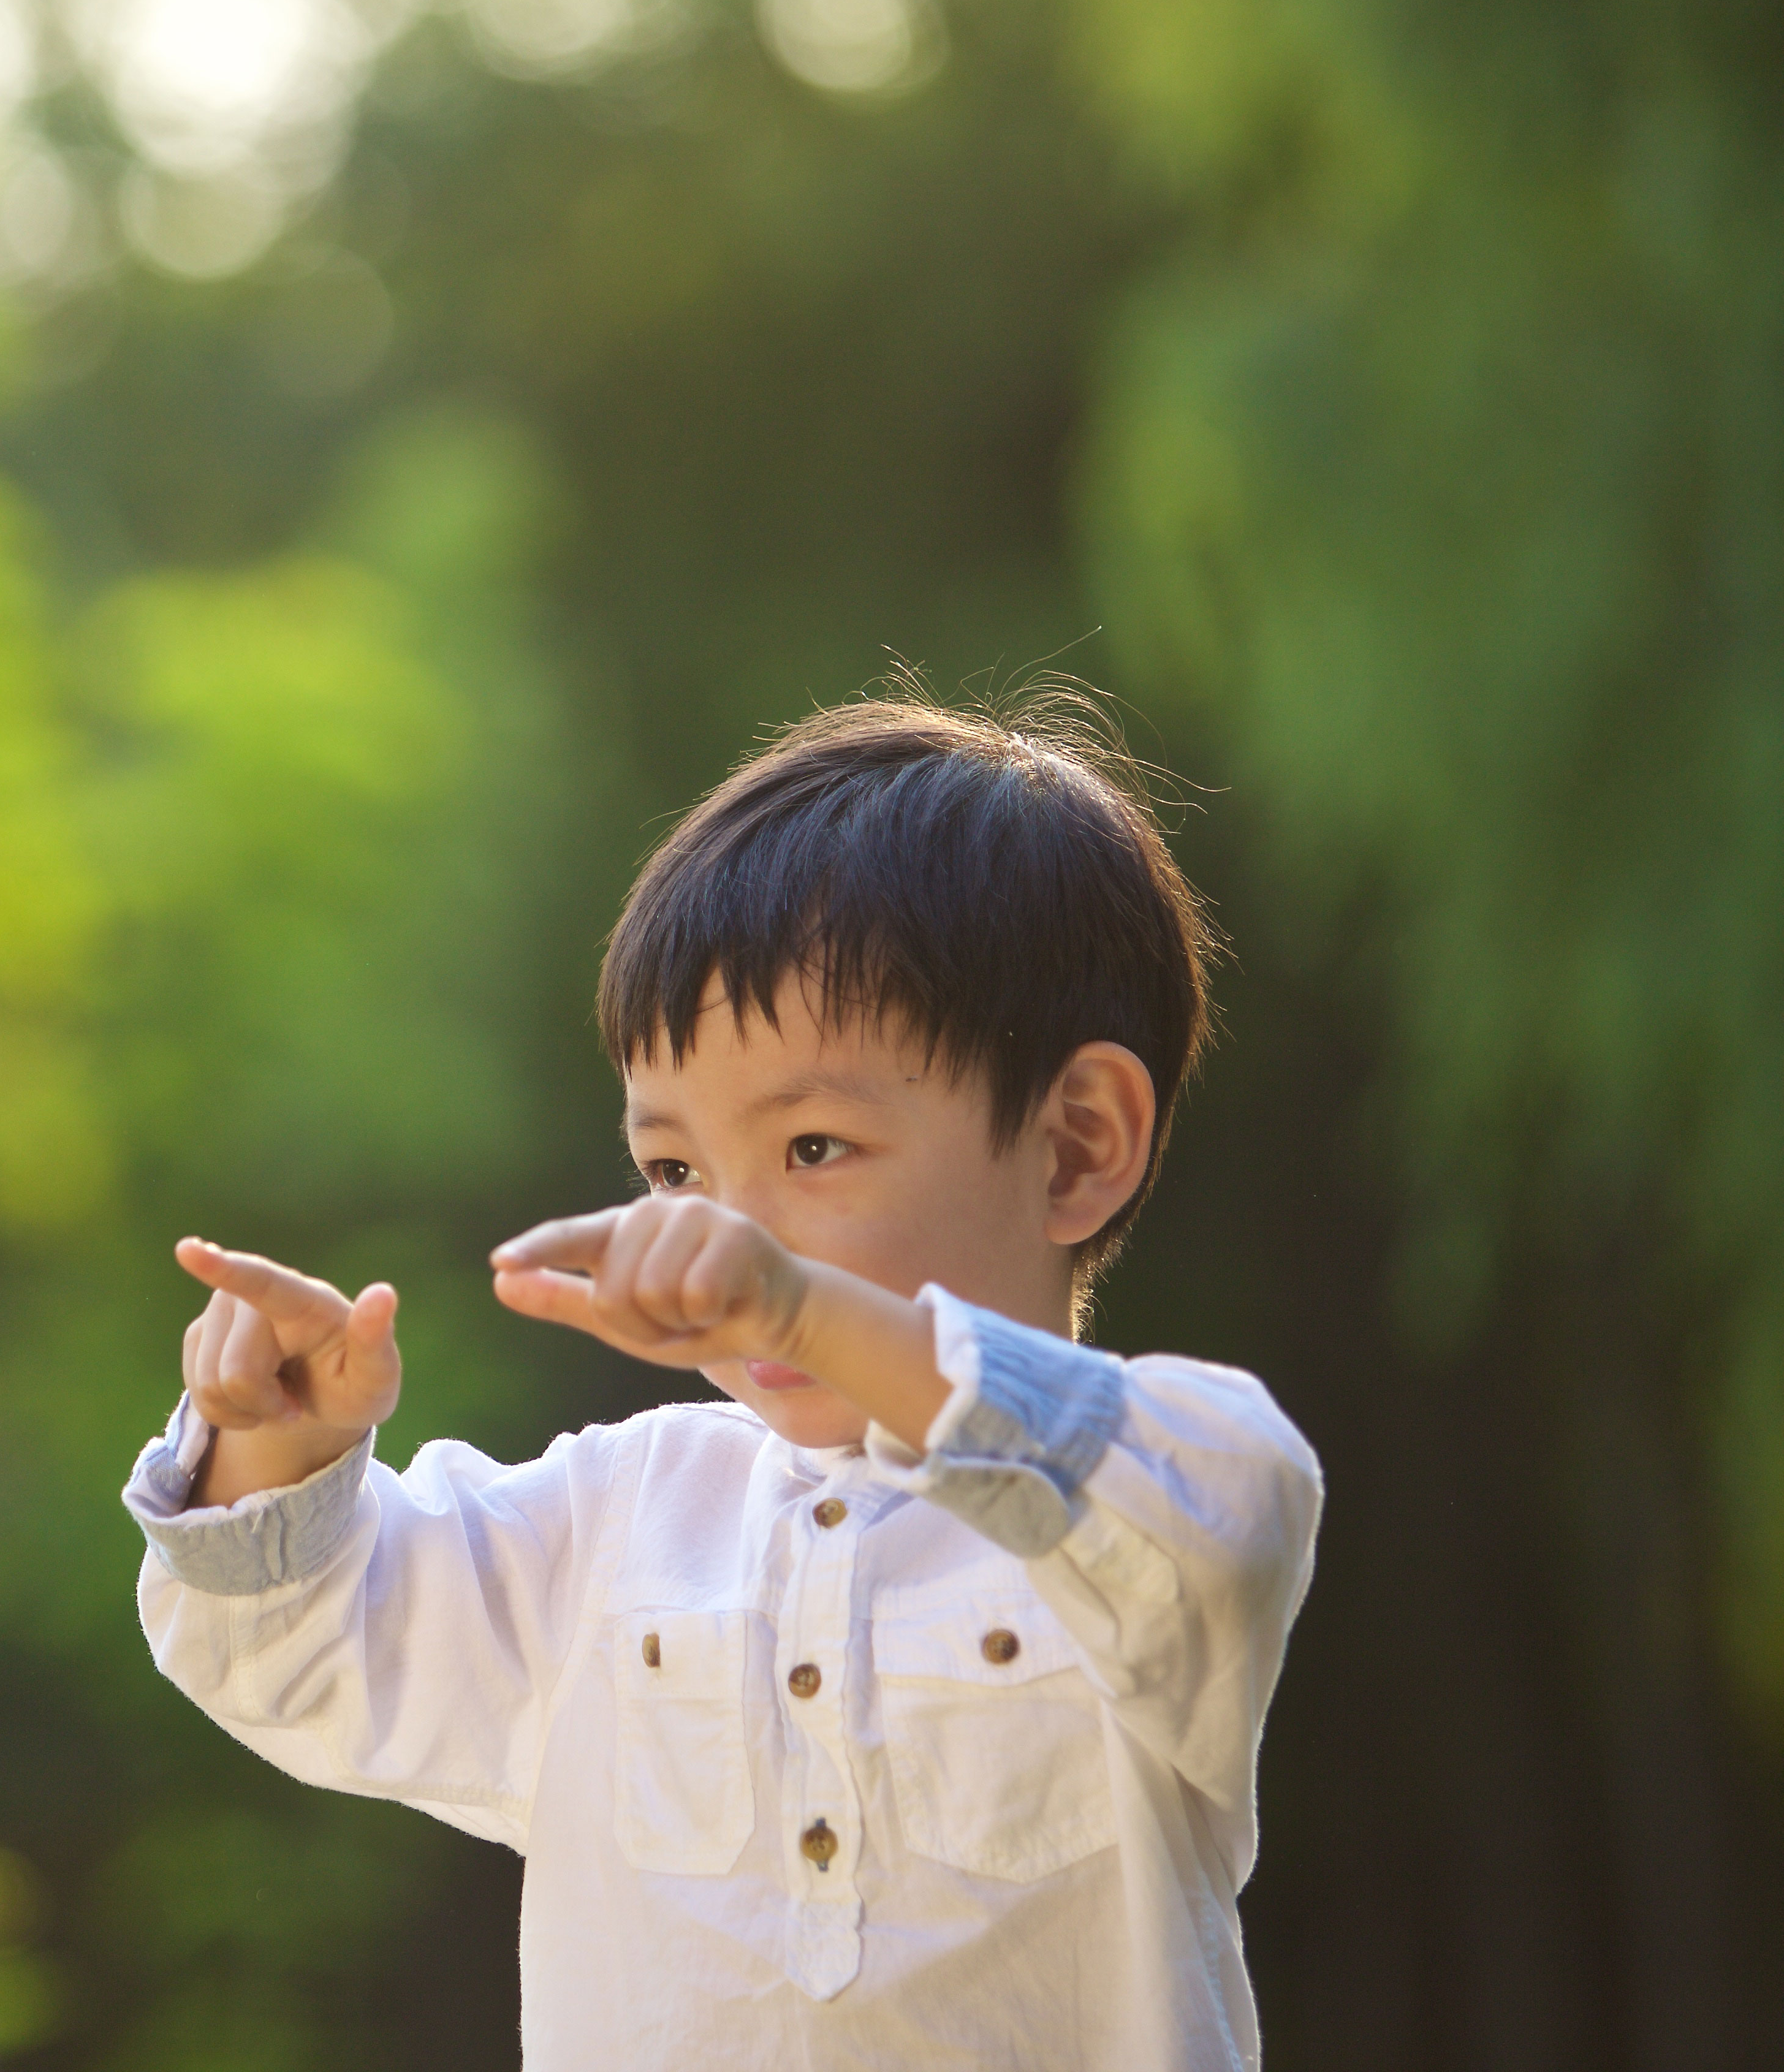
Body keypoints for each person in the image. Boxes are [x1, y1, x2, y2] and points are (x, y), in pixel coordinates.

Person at [121, 692, 1323, 2069]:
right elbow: (303, 1642)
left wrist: (805, 1307)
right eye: (677, 1171)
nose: (719, 1234)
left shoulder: (1138, 1516)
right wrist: (275, 1439)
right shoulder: (622, 1519)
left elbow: (1221, 1491)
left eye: (813, 1149)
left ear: (1075, 1147)